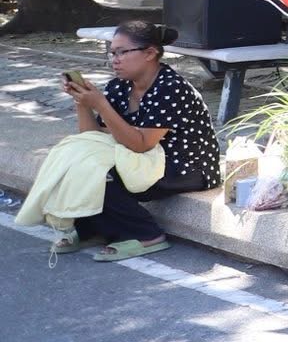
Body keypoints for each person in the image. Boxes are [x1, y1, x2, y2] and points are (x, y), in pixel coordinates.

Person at [44, 22, 220, 260]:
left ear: (149, 53)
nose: (114, 59)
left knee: (102, 171)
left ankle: (147, 235)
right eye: (112, 52)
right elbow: (92, 137)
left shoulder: (170, 87)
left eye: (122, 52)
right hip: (145, 160)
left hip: (184, 167)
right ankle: (92, 229)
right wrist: (82, 102)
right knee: (78, 157)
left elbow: (141, 144)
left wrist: (101, 104)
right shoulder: (120, 86)